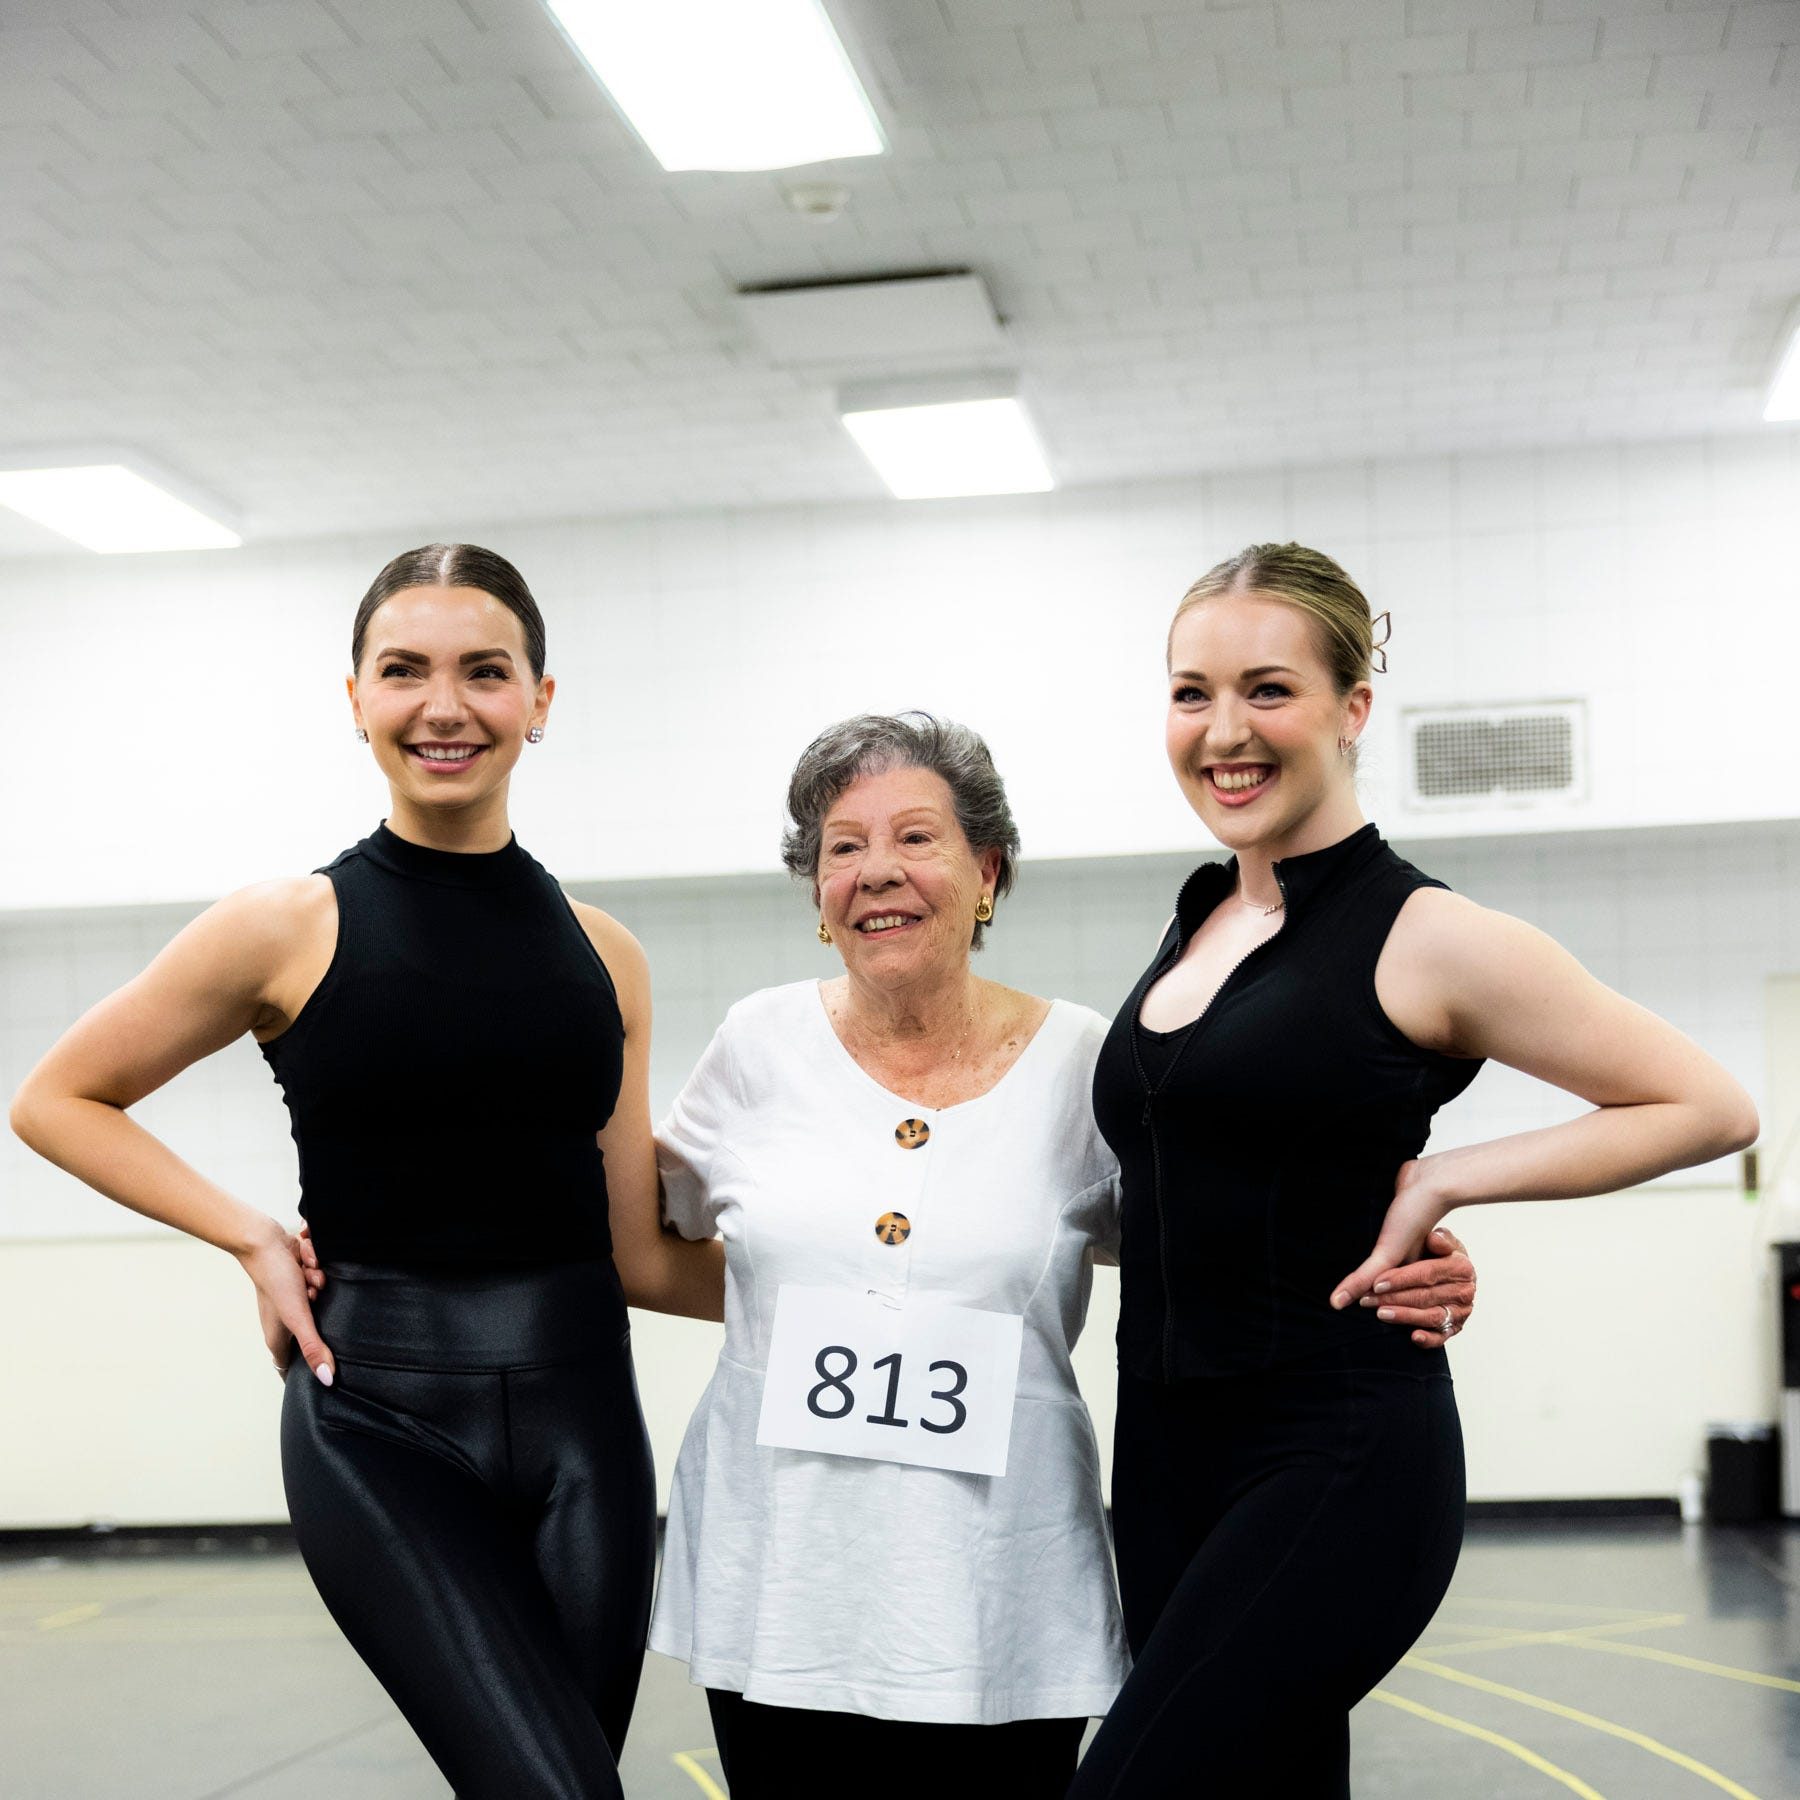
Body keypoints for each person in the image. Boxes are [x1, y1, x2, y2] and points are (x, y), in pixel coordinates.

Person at [646, 712, 1476, 1800]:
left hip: (1002, 1587)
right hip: (785, 1575)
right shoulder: (756, 1047)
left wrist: (1411, 1245)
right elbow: (634, 1238)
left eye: (916, 839)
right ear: (815, 889)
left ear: (987, 871)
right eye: (842, 846)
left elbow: (1227, 1233)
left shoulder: (1084, 1060)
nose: (876, 872)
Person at [9, 544, 720, 1800]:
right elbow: (58, 1098)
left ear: (540, 701)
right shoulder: (287, 924)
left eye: (485, 672)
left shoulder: (604, 954)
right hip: (379, 1418)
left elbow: (634, 1246)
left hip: (584, 1421)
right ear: (355, 699)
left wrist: (876, 1274)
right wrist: (247, 1235)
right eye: (405, 671)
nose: (444, 707)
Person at [1068, 543, 1759, 1797]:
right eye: (1191, 692)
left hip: (1333, 1451)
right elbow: (1201, 1180)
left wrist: (1443, 1185)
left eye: (1268, 689)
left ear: (1352, 707)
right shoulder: (1199, 919)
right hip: (1165, 1449)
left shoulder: (1426, 933)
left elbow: (1705, 1105)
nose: (1224, 730)